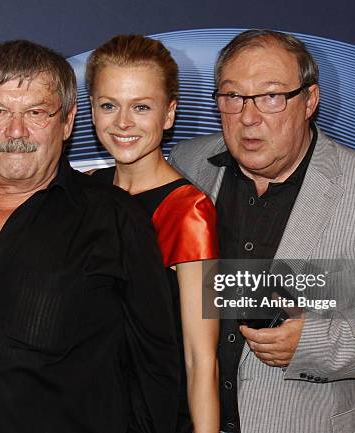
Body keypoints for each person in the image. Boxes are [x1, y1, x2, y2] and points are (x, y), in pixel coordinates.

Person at [0, 39, 180, 433]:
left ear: (67, 122)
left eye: (36, 112)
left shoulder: (114, 218)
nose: (16, 130)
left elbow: (157, 365)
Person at [168, 29, 355, 433]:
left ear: (309, 100)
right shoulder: (187, 165)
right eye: (233, 97)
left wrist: (314, 341)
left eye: (271, 96)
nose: (248, 116)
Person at [85, 35, 220, 433]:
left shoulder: (190, 211)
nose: (123, 122)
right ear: (91, 110)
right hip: (83, 409)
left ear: (168, 114)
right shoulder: (84, 191)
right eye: (109, 105)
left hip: (153, 415)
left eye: (141, 107)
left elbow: (200, 357)